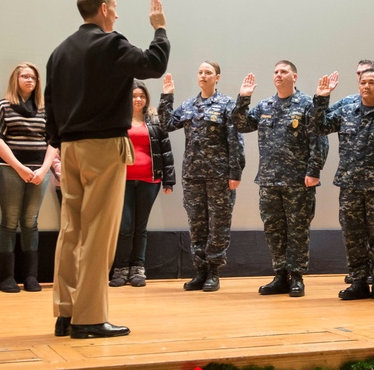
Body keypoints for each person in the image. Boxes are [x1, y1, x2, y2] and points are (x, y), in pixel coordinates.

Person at [45, 0, 169, 339]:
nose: (116, 15)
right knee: (100, 232)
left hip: (69, 147)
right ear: (102, 9)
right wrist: (159, 29)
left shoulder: (59, 52)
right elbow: (153, 64)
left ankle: (66, 312)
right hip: (103, 147)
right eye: (114, 9)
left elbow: (50, 101)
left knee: (71, 230)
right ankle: (90, 317)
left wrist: (59, 140)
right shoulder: (110, 43)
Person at [232, 61, 329, 297]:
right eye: (275, 72)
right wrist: (243, 99)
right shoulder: (266, 105)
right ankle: (280, 274)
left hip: (298, 180)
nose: (278, 75)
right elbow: (241, 125)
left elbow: (319, 139)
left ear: (294, 76)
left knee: (297, 229)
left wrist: (314, 170)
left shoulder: (307, 105)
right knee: (274, 229)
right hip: (268, 180)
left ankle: (296, 276)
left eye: (283, 71)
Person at [314, 67, 374, 303]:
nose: (366, 86)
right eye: (363, 82)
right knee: (352, 235)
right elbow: (319, 127)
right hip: (350, 186)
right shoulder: (346, 112)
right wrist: (322, 99)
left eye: (371, 82)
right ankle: (357, 281)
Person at [159, 61, 245, 292]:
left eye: (208, 73)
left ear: (217, 77)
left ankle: (214, 272)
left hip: (219, 176)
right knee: (197, 225)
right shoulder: (189, 105)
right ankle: (200, 271)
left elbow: (235, 141)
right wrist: (167, 96)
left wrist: (235, 172)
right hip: (193, 175)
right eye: (200, 72)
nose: (203, 76)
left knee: (218, 225)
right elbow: (166, 124)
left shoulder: (227, 104)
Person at [0, 63, 57, 293]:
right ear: (15, 80)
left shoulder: (46, 109)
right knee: (9, 221)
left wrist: (44, 169)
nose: (29, 80)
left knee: (30, 222)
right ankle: (7, 278)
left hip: (39, 172)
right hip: (10, 170)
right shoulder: (3, 106)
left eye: (33, 77)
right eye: (24, 76)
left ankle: (31, 277)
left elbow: (53, 142)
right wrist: (20, 168)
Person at [110, 80, 175, 288]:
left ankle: (138, 268)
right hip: (122, 181)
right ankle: (120, 269)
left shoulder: (155, 121)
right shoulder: (118, 120)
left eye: (141, 96)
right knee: (125, 226)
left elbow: (165, 150)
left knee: (141, 227)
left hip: (150, 180)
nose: (138, 99)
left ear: (146, 99)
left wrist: (168, 179)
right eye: (133, 96)